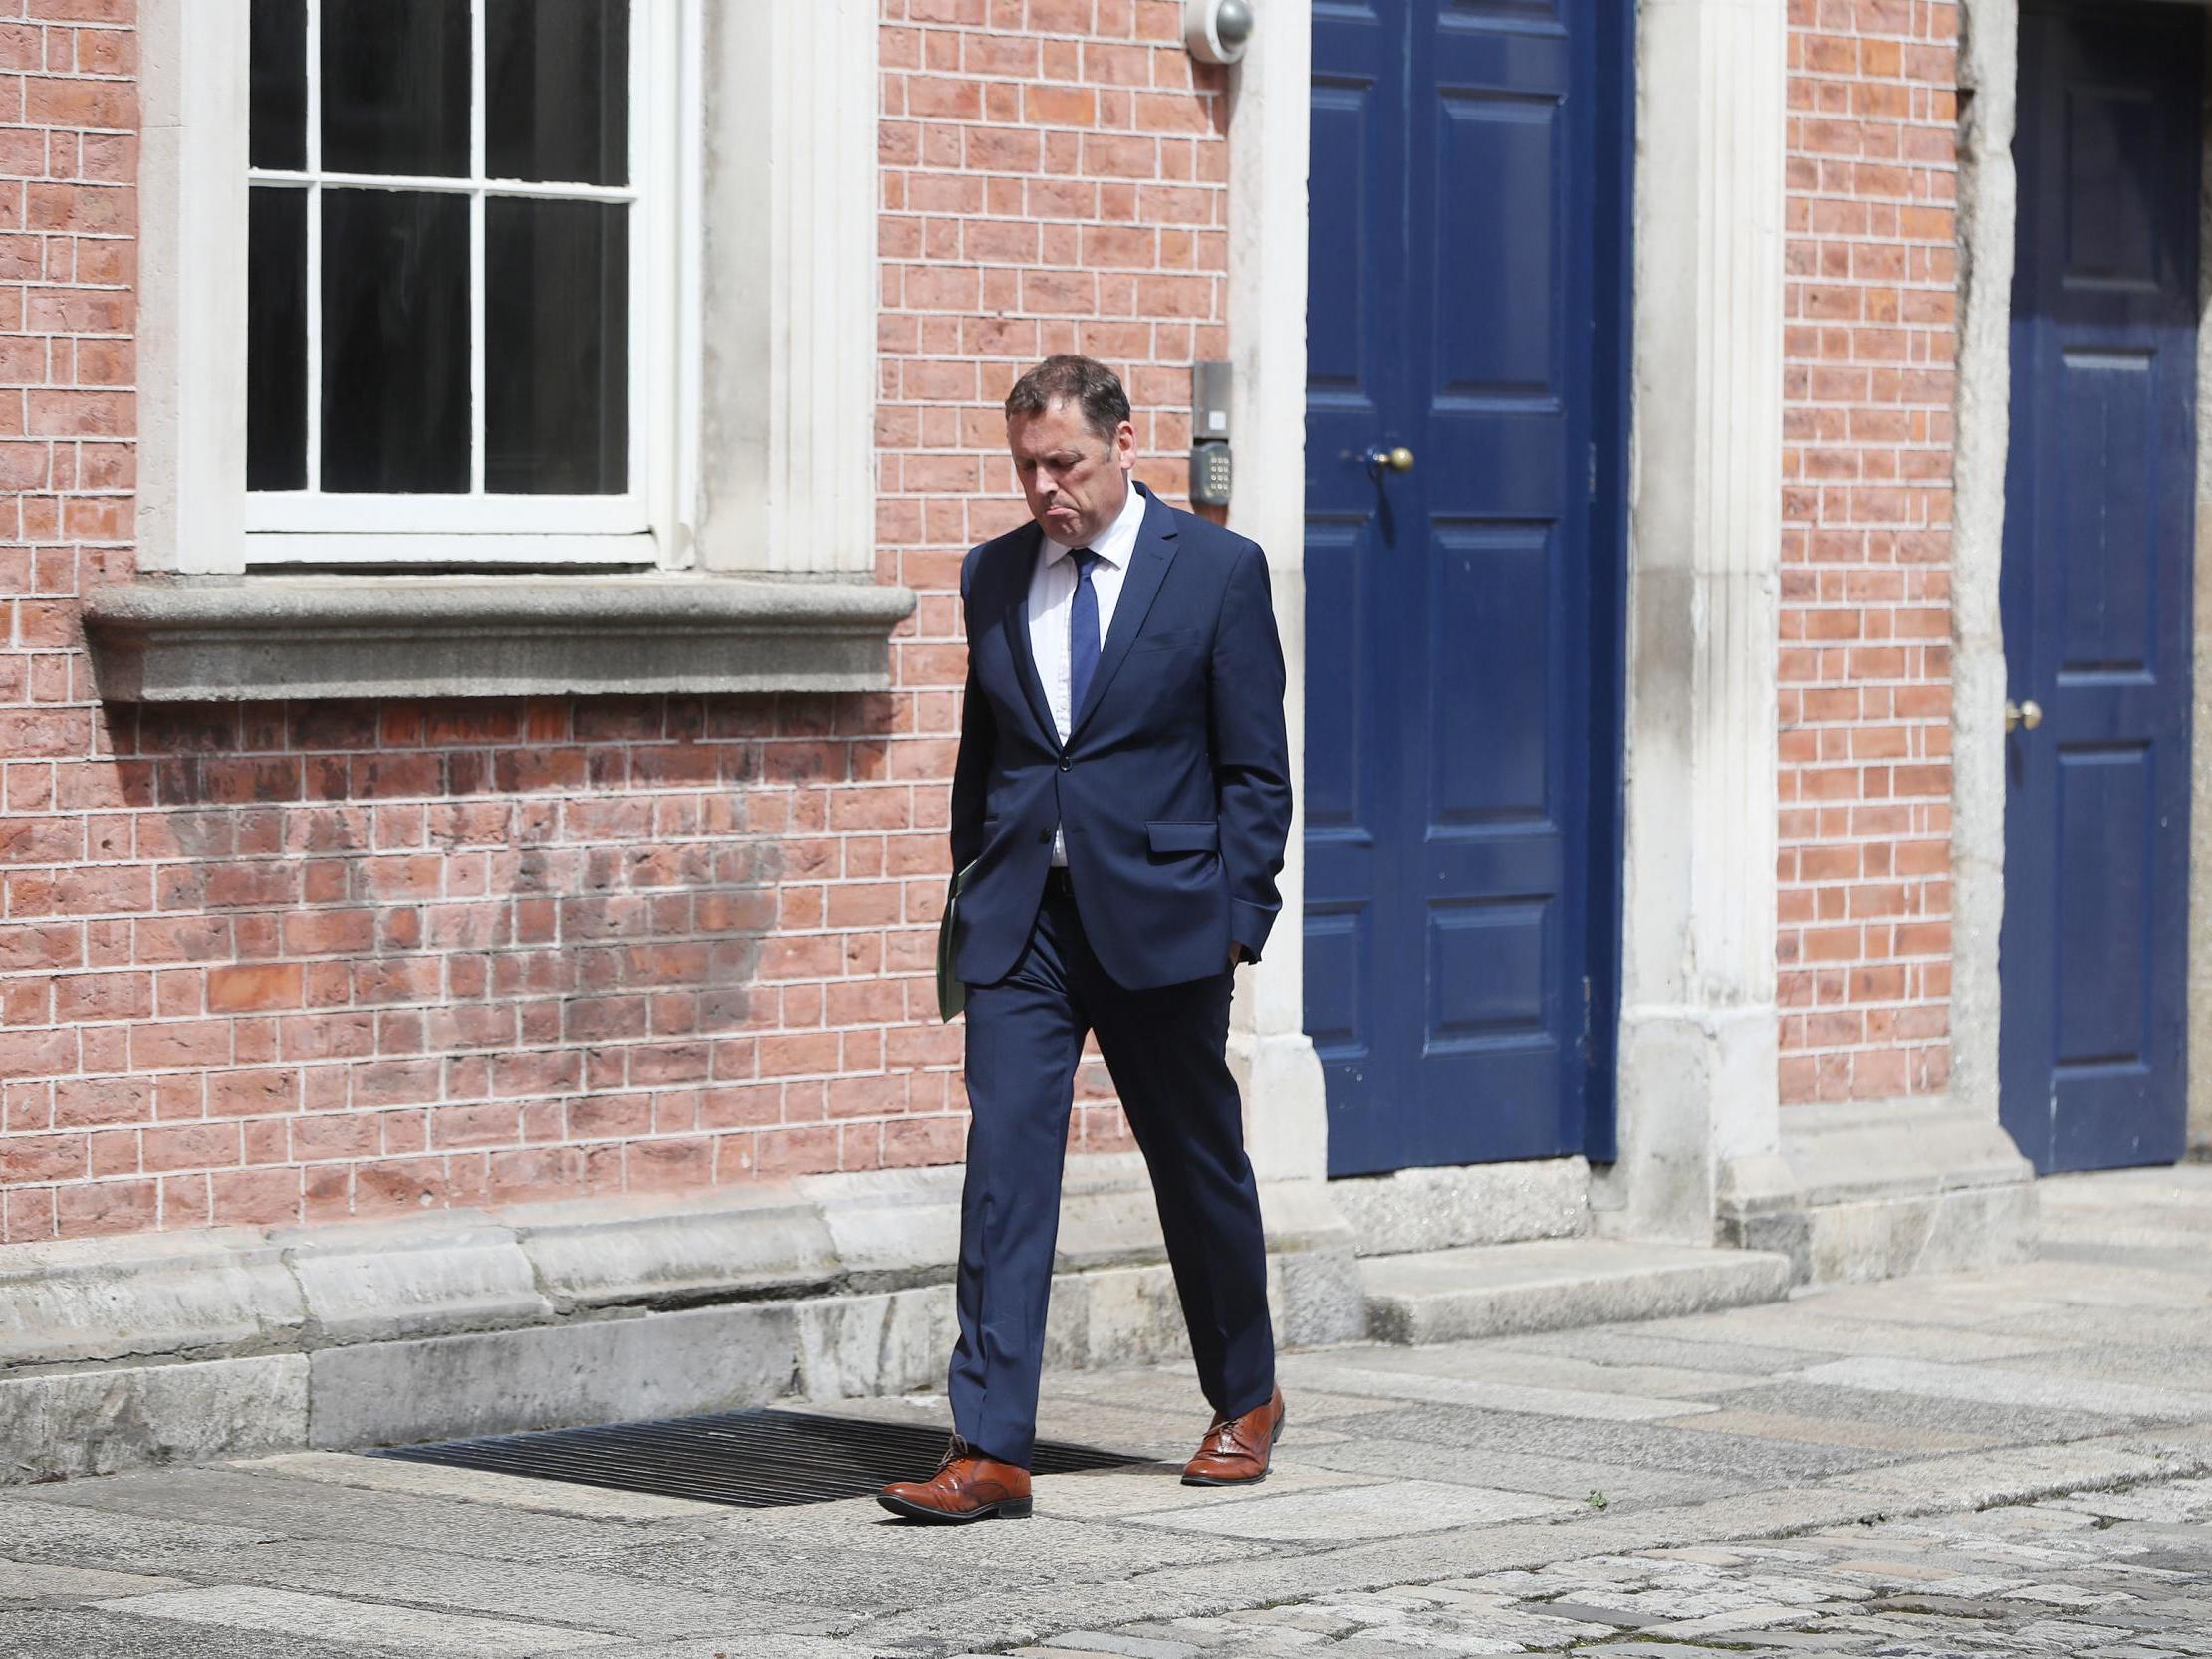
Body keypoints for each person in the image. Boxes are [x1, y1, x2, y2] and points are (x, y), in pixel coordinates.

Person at [878, 356, 1294, 1524]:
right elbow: (987, 753)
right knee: (1005, 1169)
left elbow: (1254, 772)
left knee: (1193, 1162)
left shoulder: (1214, 572)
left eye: (1063, 462)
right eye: (1026, 467)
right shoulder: (993, 574)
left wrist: (1235, 923)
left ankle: (1245, 1393)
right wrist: (972, 888)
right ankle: (991, 1446)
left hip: (1165, 924)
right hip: (1025, 924)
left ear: (1122, 441)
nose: (1045, 487)